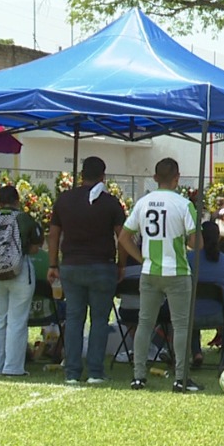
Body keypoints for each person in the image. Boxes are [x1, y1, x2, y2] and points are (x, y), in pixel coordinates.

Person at [119, 157, 198, 391]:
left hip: (150, 270)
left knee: (145, 323)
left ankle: (138, 376)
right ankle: (181, 378)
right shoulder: (184, 204)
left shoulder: (143, 202)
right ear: (177, 178)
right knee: (181, 326)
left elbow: (124, 238)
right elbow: (196, 242)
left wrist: (140, 257)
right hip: (176, 270)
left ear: (154, 178)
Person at [50, 156, 128, 386]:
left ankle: (72, 371)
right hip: (101, 266)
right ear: (103, 176)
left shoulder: (64, 200)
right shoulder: (111, 203)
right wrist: (121, 265)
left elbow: (54, 234)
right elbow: (122, 238)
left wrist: (53, 264)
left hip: (71, 265)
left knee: (74, 318)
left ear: (81, 174)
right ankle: (95, 371)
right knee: (99, 320)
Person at [0, 184, 43, 377]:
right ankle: (13, 367)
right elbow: (35, 247)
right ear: (17, 200)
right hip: (19, 271)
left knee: (1, 319)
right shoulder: (23, 218)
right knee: (17, 320)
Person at [193, 219, 224, 368]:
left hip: (192, 317)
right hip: (221, 315)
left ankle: (196, 353)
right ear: (219, 238)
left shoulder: (188, 260)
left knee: (188, 309)